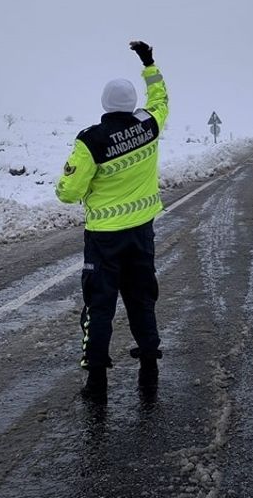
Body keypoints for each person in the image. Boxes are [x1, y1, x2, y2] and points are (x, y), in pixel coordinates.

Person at [55, 40, 168, 399]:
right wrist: (149, 63)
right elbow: (161, 100)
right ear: (132, 104)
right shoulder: (149, 125)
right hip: (141, 232)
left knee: (100, 304)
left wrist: (66, 184)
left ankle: (97, 379)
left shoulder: (91, 141)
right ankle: (149, 360)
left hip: (104, 238)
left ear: (105, 105)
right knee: (141, 297)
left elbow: (69, 191)